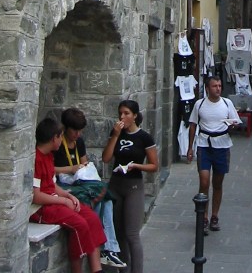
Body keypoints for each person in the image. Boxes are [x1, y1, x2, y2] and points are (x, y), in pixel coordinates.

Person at [31, 117, 106, 273]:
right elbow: (36, 196)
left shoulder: (49, 156)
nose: (62, 140)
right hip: (41, 208)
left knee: (91, 217)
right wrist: (63, 202)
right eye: (60, 136)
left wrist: (68, 196)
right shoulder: (36, 159)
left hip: (54, 201)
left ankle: (96, 269)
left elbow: (52, 185)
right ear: (54, 138)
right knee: (79, 224)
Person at [54, 108, 126, 269]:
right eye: (75, 131)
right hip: (63, 185)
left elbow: (83, 161)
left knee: (105, 199)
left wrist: (82, 167)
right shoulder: (58, 143)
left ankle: (108, 249)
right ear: (66, 128)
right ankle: (101, 246)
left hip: (79, 182)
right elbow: (50, 170)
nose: (77, 134)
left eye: (80, 131)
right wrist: (69, 169)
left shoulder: (78, 142)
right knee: (99, 201)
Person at [102, 100, 159, 273]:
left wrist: (136, 166)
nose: (122, 117)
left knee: (132, 234)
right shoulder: (117, 133)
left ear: (134, 116)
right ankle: (124, 269)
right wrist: (115, 135)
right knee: (118, 232)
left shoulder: (144, 138)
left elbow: (154, 165)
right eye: (120, 113)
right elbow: (106, 158)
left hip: (133, 185)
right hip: (116, 184)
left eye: (126, 113)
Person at [187, 76, 242, 234]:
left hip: (222, 145)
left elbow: (235, 122)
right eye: (214, 86)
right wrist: (190, 148)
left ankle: (214, 216)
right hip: (204, 144)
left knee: (217, 183)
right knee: (204, 181)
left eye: (219, 85)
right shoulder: (200, 104)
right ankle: (203, 216)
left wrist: (233, 125)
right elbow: (193, 125)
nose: (218, 88)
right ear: (207, 88)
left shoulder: (227, 103)